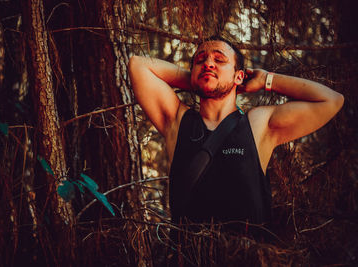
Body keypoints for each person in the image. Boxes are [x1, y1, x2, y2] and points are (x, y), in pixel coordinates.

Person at [128, 36, 344, 230]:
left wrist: (266, 80)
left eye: (219, 60)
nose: (208, 63)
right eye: (200, 61)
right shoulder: (177, 121)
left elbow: (331, 100)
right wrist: (201, 78)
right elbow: (138, 65)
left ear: (239, 76)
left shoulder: (258, 125)